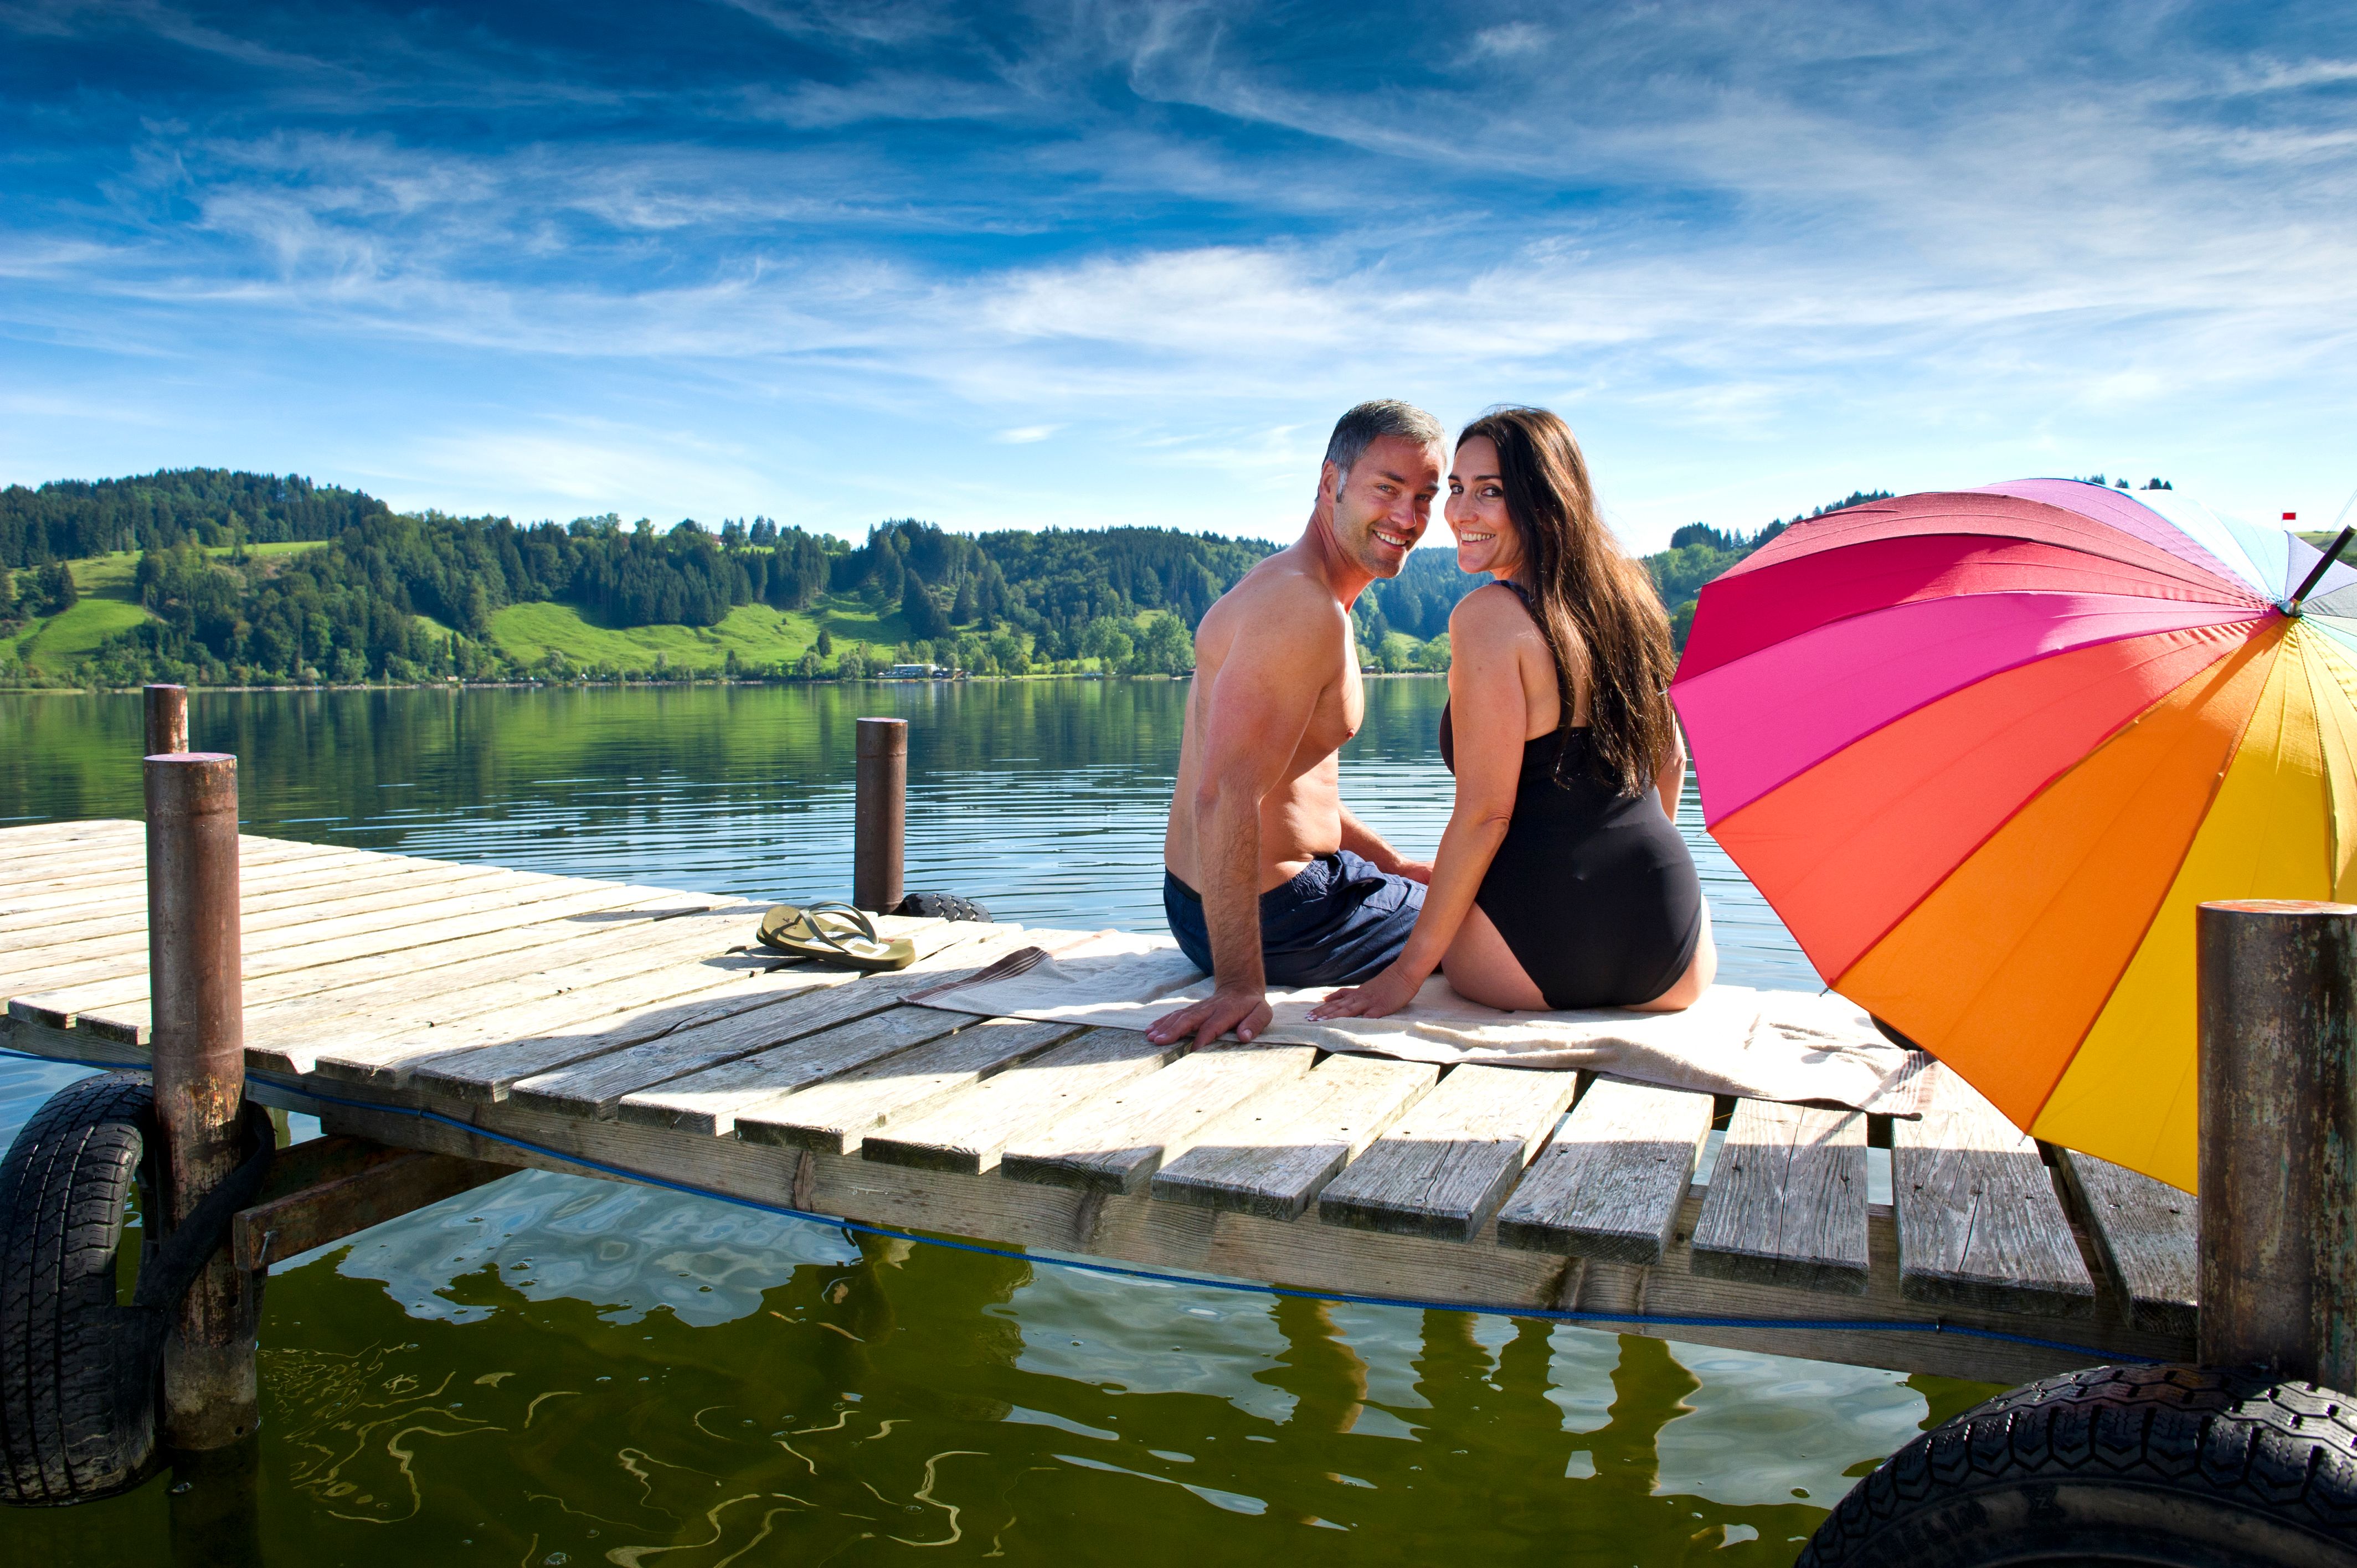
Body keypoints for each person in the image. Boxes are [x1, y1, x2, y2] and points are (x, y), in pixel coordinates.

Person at [1309, 406, 1713, 1022]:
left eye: (1489, 492)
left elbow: (1485, 816)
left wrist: (1405, 975)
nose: (1459, 513)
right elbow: (1671, 759)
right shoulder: (1628, 603)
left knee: (1402, 912)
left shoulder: (1489, 618)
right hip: (1673, 953)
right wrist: (1635, 892)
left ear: (1545, 501)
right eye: (1455, 489)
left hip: (1533, 958)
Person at [1146, 400, 1447, 1049]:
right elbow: (1224, 793)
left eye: (1423, 498)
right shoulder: (1300, 608)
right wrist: (1237, 987)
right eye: (1386, 490)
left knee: (1443, 886)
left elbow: (1295, 789)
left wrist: (1390, 865)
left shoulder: (1285, 586)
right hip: (1281, 919)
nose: (1407, 518)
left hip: (1204, 904)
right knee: (1489, 910)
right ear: (1328, 482)